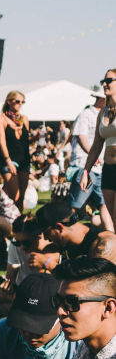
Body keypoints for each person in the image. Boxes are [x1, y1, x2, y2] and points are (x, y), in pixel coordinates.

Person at [80, 70, 116, 232]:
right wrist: (86, 171)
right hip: (107, 169)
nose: (104, 84)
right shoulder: (103, 112)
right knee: (109, 216)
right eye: (103, 80)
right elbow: (96, 146)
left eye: (109, 80)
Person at [70, 91, 112, 229]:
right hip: (85, 164)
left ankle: (110, 234)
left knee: (104, 205)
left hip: (101, 167)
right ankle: (64, 231)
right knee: (76, 203)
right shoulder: (86, 114)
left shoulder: (108, 113)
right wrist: (92, 159)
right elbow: (82, 138)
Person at [36, 199, 116, 263]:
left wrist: (55, 263)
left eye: (45, 232)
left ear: (59, 227)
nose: (45, 238)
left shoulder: (99, 243)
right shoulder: (60, 246)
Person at [0, 90, 32, 205]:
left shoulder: (24, 119)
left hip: (24, 159)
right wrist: (8, 161)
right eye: (17, 101)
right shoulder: (1, 119)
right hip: (9, 159)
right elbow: (2, 141)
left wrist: (36, 137)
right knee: (15, 196)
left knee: (21, 197)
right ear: (9, 102)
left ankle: (19, 222)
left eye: (22, 102)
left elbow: (25, 141)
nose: (20, 104)